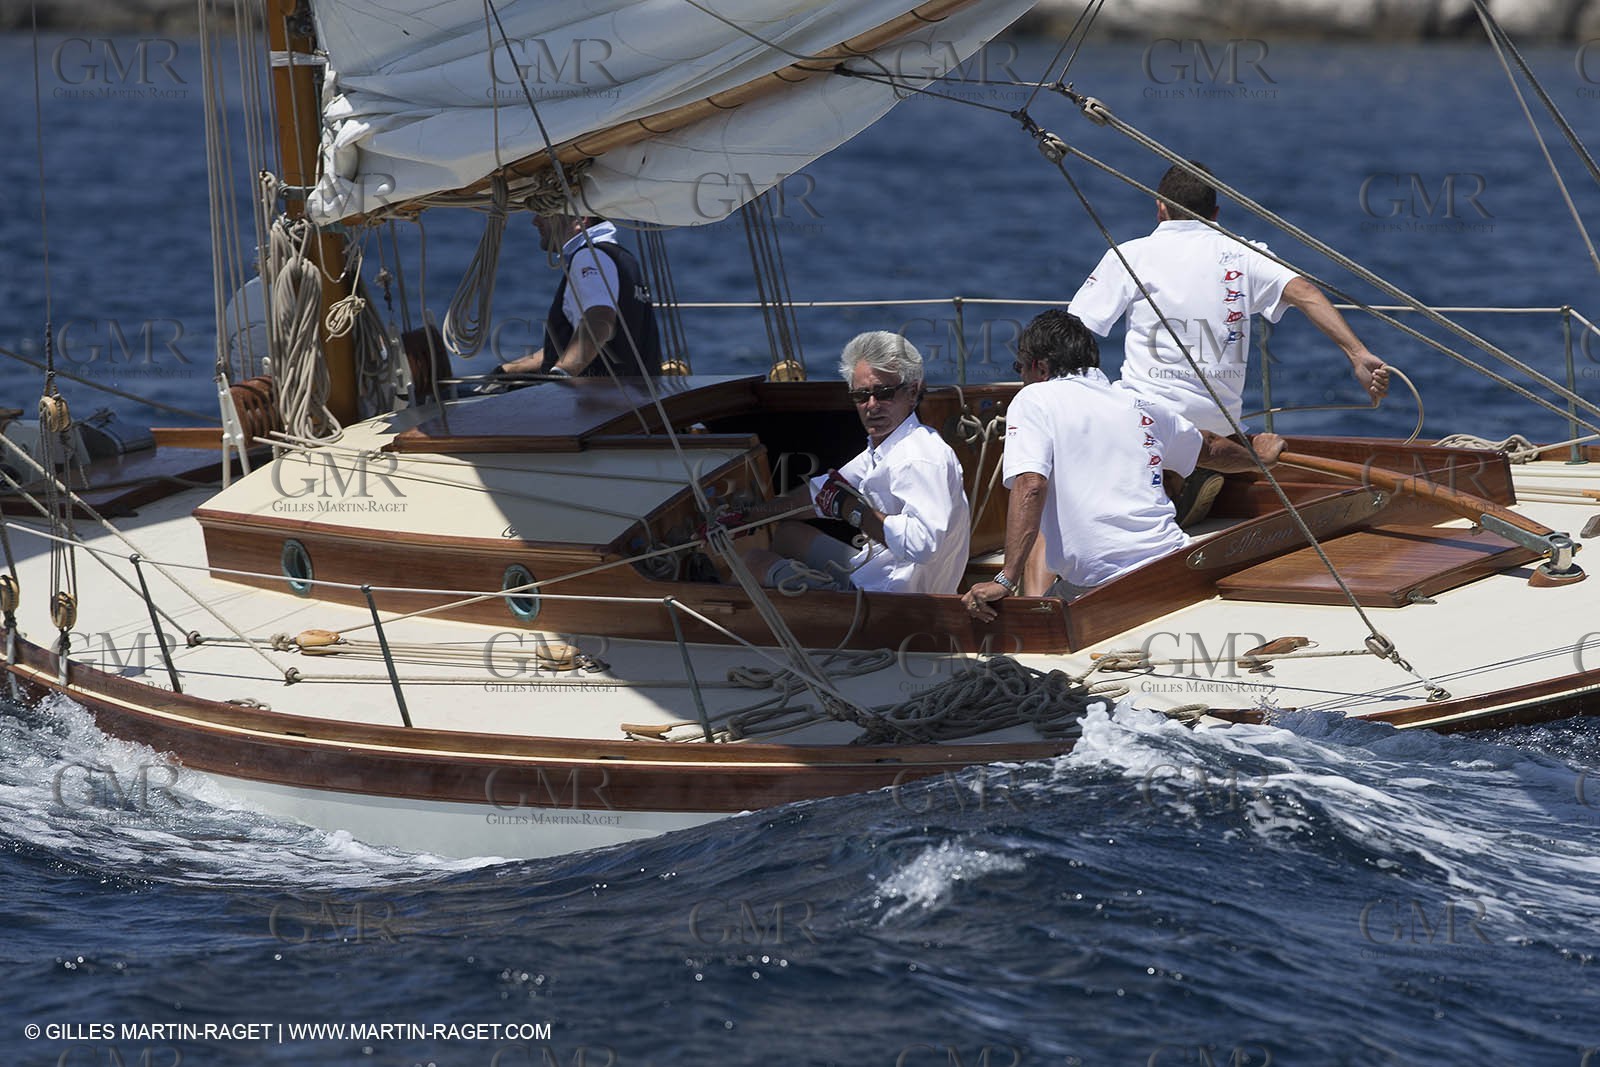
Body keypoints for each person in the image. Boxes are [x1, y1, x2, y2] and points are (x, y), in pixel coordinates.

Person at [1067, 160, 1386, 523]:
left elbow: (1074, 329)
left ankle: (1174, 483)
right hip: (1220, 428)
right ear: (1215, 212)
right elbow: (1305, 292)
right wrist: (1358, 355)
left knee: (1101, 433)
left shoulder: (1128, 254)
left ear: (1160, 208)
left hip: (1149, 421)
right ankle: (1194, 475)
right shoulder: (1245, 254)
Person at [962, 310, 1284, 621]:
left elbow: (1032, 485)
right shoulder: (1138, 403)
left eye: (1020, 367)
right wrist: (1260, 461)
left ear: (1040, 368)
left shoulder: (1034, 399)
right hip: (1174, 564)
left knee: (1031, 625)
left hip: (1101, 585)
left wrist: (1005, 580)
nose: (1020, 377)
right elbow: (1211, 447)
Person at [744, 332, 971, 595]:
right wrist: (749, 517)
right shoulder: (888, 446)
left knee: (751, 562)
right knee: (788, 534)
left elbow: (922, 544)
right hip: (880, 577)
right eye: (861, 396)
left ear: (912, 392)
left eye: (883, 393)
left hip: (891, 603)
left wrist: (852, 511)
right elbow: (820, 493)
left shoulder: (916, 458)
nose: (872, 406)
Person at [492, 213, 662, 381]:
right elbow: (574, 346)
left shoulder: (590, 257)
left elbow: (599, 322)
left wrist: (561, 373)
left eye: (546, 213)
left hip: (597, 402)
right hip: (637, 397)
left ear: (581, 219)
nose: (535, 221)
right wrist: (508, 370)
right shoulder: (622, 258)